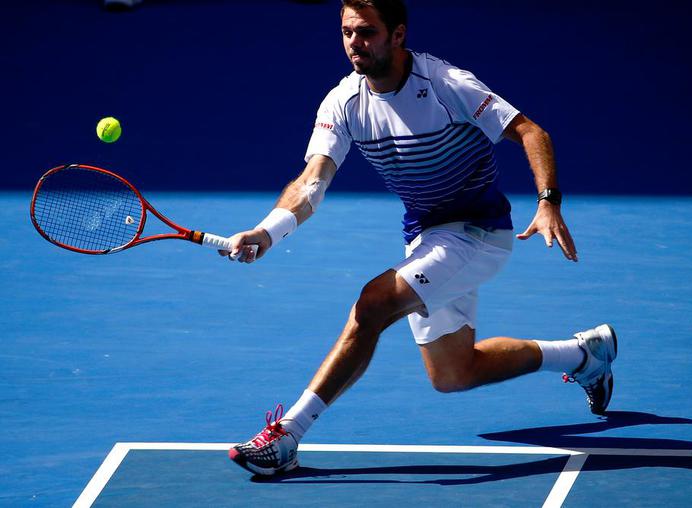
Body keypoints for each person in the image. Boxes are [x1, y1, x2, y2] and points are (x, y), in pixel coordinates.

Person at [224, 0, 617, 477]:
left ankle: (287, 435)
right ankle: (585, 354)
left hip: (479, 233)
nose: (354, 43)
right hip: (428, 237)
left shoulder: (448, 85)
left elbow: (532, 132)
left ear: (398, 34)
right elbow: (312, 181)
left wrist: (548, 200)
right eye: (347, 32)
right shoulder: (343, 103)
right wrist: (268, 231)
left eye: (367, 32)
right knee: (453, 375)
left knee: (372, 306)